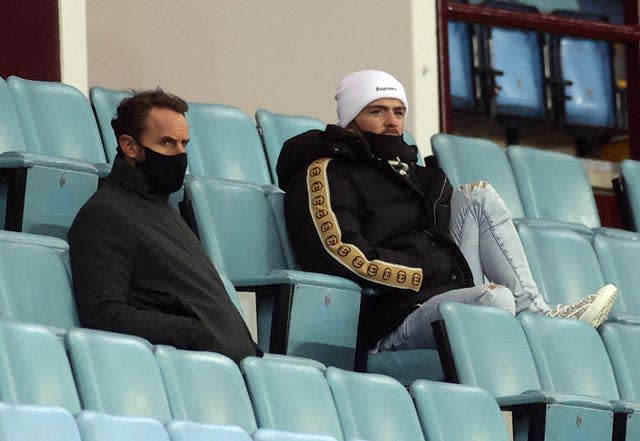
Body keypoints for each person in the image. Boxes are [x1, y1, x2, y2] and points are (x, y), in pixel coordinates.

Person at [276, 69, 618, 352]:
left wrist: (437, 268)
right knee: (493, 301)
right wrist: (419, 273)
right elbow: (338, 252)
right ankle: (534, 333)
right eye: (376, 111)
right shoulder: (326, 170)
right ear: (352, 120)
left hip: (440, 294)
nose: (392, 122)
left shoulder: (414, 173)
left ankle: (537, 315)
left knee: (477, 196)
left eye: (398, 111)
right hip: (391, 317)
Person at [68, 89, 258, 363]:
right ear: (129, 146)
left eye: (184, 143)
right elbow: (104, 314)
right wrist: (196, 332)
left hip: (227, 371)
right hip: (189, 372)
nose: (180, 154)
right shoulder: (105, 214)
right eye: (167, 143)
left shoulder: (163, 207)